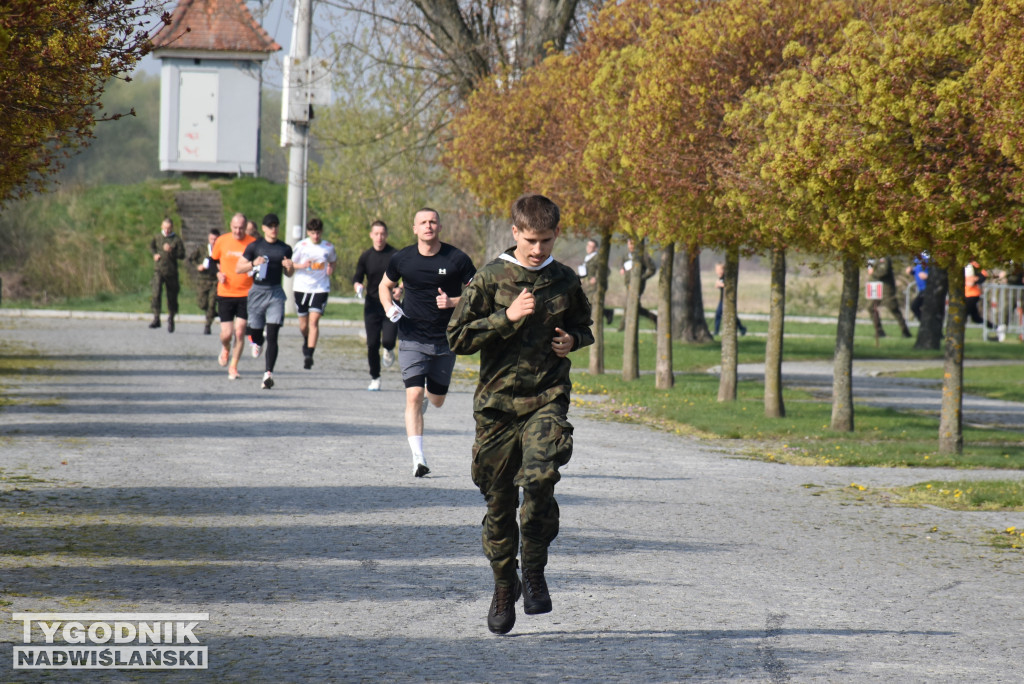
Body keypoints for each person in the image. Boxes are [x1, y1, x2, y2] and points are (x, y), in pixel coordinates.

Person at [448, 194, 594, 635]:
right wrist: (504, 318)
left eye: (546, 240)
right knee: (499, 503)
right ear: (515, 233)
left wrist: (574, 341)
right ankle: (503, 583)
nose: (538, 249)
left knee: (541, 479)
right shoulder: (490, 278)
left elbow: (584, 325)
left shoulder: (564, 280)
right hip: (496, 409)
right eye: (531, 240)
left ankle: (533, 570)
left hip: (547, 398)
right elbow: (457, 337)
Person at [378, 208, 476, 478]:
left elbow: (480, 293)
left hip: (445, 340)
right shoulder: (402, 258)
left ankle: (425, 402)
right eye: (423, 222)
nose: (428, 226)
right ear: (415, 228)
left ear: (440, 226)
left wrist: (454, 302)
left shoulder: (457, 258)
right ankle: (418, 458)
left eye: (433, 221)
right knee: (413, 395)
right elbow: (383, 286)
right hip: (411, 337)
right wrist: (389, 307)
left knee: (437, 399)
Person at [236, 214, 294, 390]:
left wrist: (290, 268)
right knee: (255, 331)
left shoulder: (285, 248)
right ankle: (257, 341)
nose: (273, 229)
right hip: (257, 292)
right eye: (270, 226)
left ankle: (268, 374)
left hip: (275, 293)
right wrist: (254, 263)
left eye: (276, 225)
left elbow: (288, 274)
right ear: (263, 228)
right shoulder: (255, 246)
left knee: (273, 333)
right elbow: (238, 268)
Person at [353, 220, 399, 390]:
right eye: (376, 233)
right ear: (371, 235)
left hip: (391, 304)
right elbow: (357, 277)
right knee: (372, 344)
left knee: (387, 340)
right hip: (372, 305)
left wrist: (400, 289)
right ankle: (375, 377)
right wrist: (358, 285)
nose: (379, 237)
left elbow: (407, 278)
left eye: (382, 234)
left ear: (386, 235)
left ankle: (389, 348)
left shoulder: (395, 255)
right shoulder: (366, 256)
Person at [211, 213, 256, 380]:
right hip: (226, 292)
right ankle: (225, 347)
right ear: (231, 226)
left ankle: (233, 367)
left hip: (246, 293)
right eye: (235, 228)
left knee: (240, 331)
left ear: (246, 227)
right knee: (227, 334)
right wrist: (218, 273)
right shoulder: (222, 241)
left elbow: (259, 266)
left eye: (241, 228)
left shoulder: (252, 243)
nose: (238, 231)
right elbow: (212, 260)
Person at [291, 218, 337, 370]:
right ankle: (306, 339)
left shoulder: (328, 247)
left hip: (320, 288)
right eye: (312, 233)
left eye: (318, 233)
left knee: (314, 322)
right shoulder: (301, 246)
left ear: (321, 232)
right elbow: (291, 264)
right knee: (303, 325)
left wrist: (331, 268)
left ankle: (309, 355)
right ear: (308, 233)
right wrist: (301, 265)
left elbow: (332, 261)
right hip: (302, 287)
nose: (315, 236)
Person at [148, 218, 186, 332]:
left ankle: (171, 318)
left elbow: (182, 254)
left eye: (169, 228)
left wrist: (171, 251)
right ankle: (156, 317)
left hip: (171, 272)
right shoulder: (157, 237)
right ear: (161, 226)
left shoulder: (176, 239)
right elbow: (151, 246)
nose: (167, 230)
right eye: (165, 228)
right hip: (159, 270)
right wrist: (154, 254)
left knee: (172, 297)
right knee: (156, 293)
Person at [617, 237, 657, 330]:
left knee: (630, 303)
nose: (631, 246)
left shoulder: (642, 255)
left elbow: (652, 269)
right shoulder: (626, 255)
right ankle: (654, 318)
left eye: (633, 244)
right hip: (628, 283)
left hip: (638, 284)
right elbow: (622, 265)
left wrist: (642, 278)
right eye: (630, 244)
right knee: (635, 305)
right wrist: (622, 269)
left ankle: (622, 326)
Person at [867, 255, 912, 338]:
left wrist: (873, 272)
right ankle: (879, 330)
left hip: (886, 289)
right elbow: (870, 266)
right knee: (871, 308)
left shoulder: (884, 257)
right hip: (876, 287)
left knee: (893, 308)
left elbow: (884, 271)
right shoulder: (873, 258)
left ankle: (905, 331)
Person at [189, 228, 221, 335]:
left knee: (212, 303)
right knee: (202, 304)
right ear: (209, 238)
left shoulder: (221, 250)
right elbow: (191, 259)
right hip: (203, 279)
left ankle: (208, 325)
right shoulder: (202, 249)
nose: (213, 241)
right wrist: (198, 266)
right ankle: (211, 313)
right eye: (212, 239)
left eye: (216, 239)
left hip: (215, 280)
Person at [578, 238, 614, 326]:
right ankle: (607, 313)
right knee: (588, 304)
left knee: (591, 304)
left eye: (591, 246)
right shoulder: (587, 258)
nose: (588, 247)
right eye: (588, 245)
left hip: (596, 287)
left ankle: (586, 323)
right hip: (588, 286)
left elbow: (607, 271)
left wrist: (596, 278)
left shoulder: (598, 258)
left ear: (595, 248)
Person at [713, 261, 747, 337]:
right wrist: (718, 284)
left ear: (723, 270)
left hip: (726, 300)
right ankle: (717, 330)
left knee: (730, 315)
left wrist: (721, 285)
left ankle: (741, 328)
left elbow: (727, 286)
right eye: (716, 270)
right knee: (719, 314)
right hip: (722, 299)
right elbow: (716, 286)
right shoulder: (720, 278)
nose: (717, 272)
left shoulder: (726, 277)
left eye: (719, 270)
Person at [906, 252, 929, 321]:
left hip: (928, 289)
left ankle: (925, 324)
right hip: (922, 289)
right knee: (915, 307)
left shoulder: (928, 258)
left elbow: (936, 272)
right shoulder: (916, 258)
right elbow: (916, 270)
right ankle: (924, 324)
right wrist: (911, 271)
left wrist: (928, 276)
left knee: (918, 307)